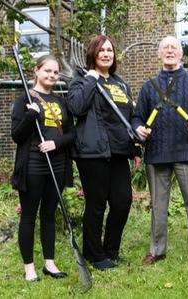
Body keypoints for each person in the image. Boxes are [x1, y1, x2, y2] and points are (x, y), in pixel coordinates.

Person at [133, 36, 188, 267]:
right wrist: (138, 128)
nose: (169, 51)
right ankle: (157, 250)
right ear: (159, 54)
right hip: (156, 153)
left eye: (173, 47)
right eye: (165, 47)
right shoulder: (149, 86)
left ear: (181, 54)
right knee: (158, 206)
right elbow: (137, 116)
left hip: (187, 151)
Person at [68, 35, 140, 270]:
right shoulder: (81, 78)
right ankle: (94, 254)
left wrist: (136, 148)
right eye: (102, 51)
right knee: (96, 204)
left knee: (122, 201)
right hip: (92, 152)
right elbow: (76, 107)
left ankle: (110, 250)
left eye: (110, 50)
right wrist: (91, 79)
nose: (107, 54)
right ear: (93, 54)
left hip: (119, 151)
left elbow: (128, 119)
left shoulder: (120, 84)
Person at [11, 55, 75, 282]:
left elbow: (71, 134)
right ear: (36, 71)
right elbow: (17, 136)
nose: (51, 75)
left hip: (56, 164)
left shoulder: (61, 101)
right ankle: (29, 267)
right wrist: (31, 114)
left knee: (48, 214)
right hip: (32, 165)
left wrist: (55, 143)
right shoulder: (24, 100)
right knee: (28, 216)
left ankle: (50, 262)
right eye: (47, 70)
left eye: (55, 72)